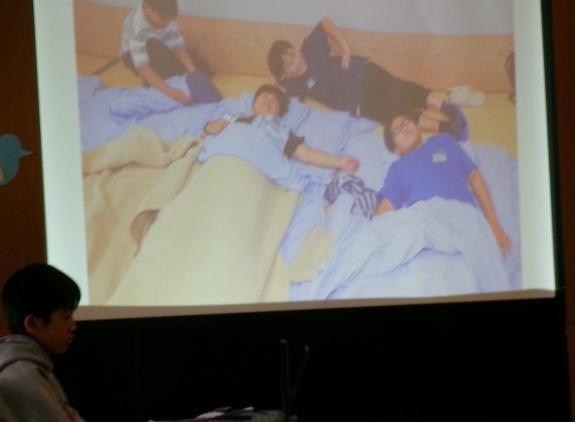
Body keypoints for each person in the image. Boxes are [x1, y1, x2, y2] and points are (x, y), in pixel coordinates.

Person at [0, 264, 125, 422]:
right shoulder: (19, 377)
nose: (73, 326)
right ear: (33, 323)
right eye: (65, 317)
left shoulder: (22, 369)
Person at [267, 17, 474, 141]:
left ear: (296, 48)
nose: (297, 62)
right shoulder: (293, 84)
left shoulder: (310, 48)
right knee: (395, 116)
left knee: (399, 90)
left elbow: (325, 22)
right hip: (357, 105)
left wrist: (345, 49)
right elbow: (273, 85)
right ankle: (446, 128)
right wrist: (277, 80)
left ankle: (446, 107)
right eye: (290, 65)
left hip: (362, 74)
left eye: (293, 54)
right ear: (287, 74)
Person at [375, 112, 511, 257]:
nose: (404, 128)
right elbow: (386, 208)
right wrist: (374, 237)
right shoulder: (398, 168)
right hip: (428, 226)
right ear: (396, 149)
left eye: (406, 122)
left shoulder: (444, 141)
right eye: (397, 130)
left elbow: (474, 177)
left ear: (417, 127)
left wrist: (494, 225)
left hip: (464, 219)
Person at [202, 84, 360, 174]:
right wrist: (208, 128)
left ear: (278, 114)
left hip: (247, 169)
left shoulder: (277, 128)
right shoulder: (233, 117)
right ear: (253, 103)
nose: (268, 101)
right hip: (217, 161)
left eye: (274, 101)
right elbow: (205, 138)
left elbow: (305, 154)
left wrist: (340, 162)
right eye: (264, 96)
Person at [121, 0, 220, 105]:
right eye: (163, 19)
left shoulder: (166, 17)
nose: (166, 22)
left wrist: (194, 73)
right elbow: (142, 67)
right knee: (154, 48)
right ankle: (153, 86)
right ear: (147, 9)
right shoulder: (136, 25)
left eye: (168, 19)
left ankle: (170, 79)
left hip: (163, 52)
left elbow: (178, 46)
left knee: (202, 68)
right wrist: (173, 94)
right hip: (135, 57)